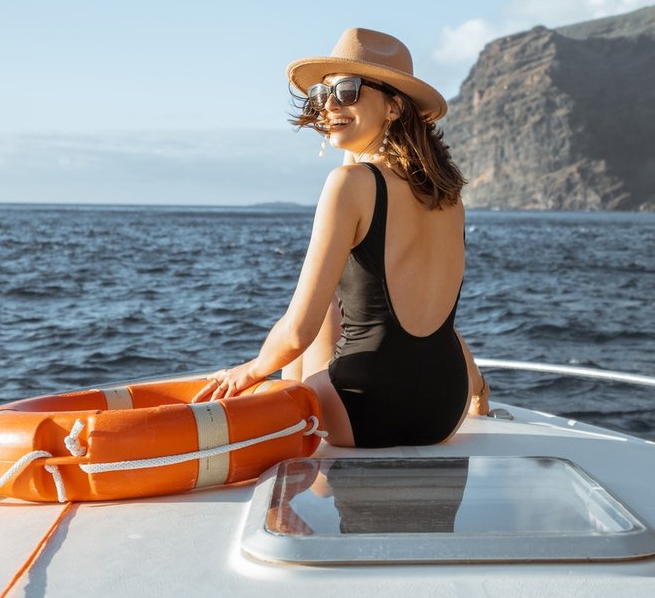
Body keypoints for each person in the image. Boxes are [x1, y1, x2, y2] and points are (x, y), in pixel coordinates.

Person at [194, 27, 487, 447]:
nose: (328, 106)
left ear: (394, 107)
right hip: (444, 408)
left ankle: (303, 498)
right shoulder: (449, 198)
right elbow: (438, 320)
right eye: (321, 95)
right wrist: (476, 388)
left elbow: (298, 333)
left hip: (365, 409)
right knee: (353, 289)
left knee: (302, 345)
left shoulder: (348, 184)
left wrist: (250, 371)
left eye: (347, 91)